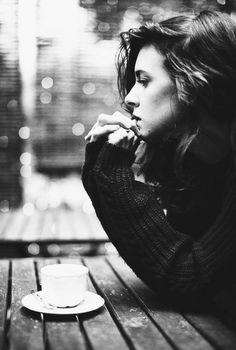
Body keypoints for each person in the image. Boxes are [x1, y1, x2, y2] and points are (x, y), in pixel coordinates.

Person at [82, 10, 236, 304]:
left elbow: (188, 278)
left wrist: (112, 179)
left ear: (193, 82)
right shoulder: (194, 161)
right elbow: (174, 254)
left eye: (144, 80)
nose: (129, 97)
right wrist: (98, 169)